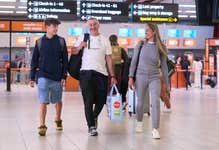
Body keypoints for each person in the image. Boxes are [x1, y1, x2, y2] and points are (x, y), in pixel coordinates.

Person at [72, 17, 116, 136]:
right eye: (90, 25)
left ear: (98, 25)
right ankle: (91, 126)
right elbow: (73, 51)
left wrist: (112, 76)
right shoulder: (83, 37)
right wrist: (80, 46)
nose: (92, 27)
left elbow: (109, 58)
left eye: (94, 24)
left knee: (101, 101)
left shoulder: (104, 40)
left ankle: (94, 116)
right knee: (88, 100)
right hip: (86, 73)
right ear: (88, 26)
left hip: (101, 74)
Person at [128, 23, 169, 139]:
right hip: (140, 76)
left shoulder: (161, 47)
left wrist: (166, 84)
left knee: (155, 101)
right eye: (145, 30)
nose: (145, 32)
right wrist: (131, 77)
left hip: (155, 76)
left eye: (147, 30)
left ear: (154, 32)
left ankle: (155, 129)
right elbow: (134, 62)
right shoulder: (140, 45)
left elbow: (164, 67)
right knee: (140, 102)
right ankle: (139, 122)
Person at [30, 18, 68, 136]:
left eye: (57, 26)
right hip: (43, 76)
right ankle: (42, 125)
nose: (56, 28)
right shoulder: (40, 42)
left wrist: (63, 76)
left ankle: (58, 118)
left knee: (58, 101)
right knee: (43, 101)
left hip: (57, 76)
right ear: (46, 27)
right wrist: (32, 77)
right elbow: (34, 60)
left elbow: (65, 61)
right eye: (53, 26)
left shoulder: (61, 41)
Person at [109, 34, 129, 110]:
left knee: (111, 89)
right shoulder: (120, 49)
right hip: (119, 72)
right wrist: (123, 66)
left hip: (109, 73)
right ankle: (121, 102)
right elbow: (127, 61)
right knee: (120, 88)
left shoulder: (108, 49)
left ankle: (111, 104)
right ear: (117, 40)